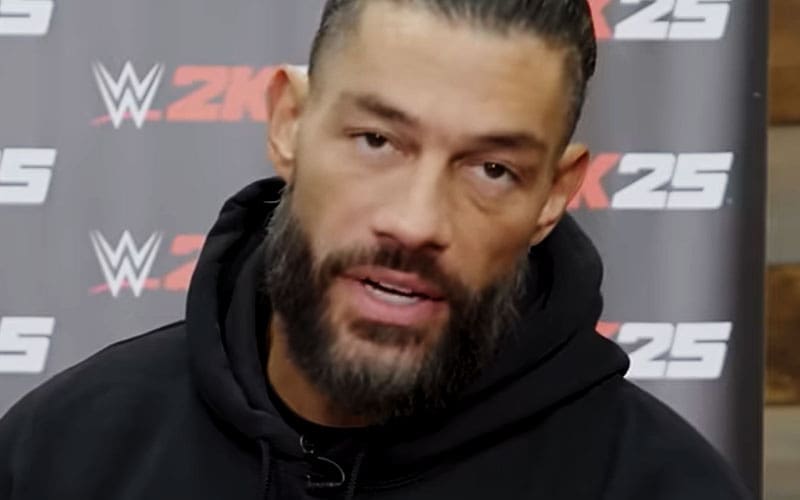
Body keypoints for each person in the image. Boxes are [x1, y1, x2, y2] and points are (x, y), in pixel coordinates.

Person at [0, 1, 753, 498]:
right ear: (290, 123)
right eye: (377, 141)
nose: (416, 222)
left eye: (492, 169)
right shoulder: (64, 451)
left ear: (553, 195)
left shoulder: (660, 484)